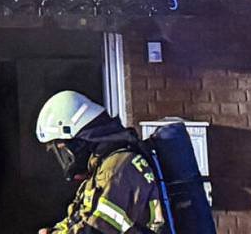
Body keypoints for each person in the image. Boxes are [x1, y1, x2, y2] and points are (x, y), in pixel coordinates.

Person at [35, 89, 168, 234]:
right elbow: (81, 218)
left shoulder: (117, 168)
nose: (64, 158)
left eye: (62, 148)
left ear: (78, 143)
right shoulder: (100, 170)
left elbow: (98, 229)